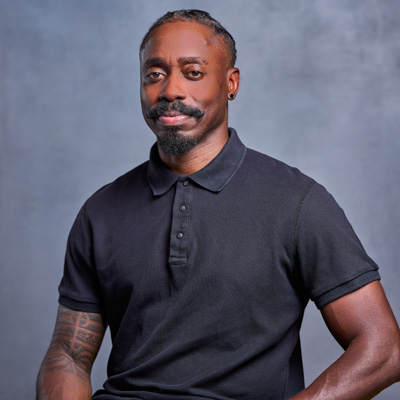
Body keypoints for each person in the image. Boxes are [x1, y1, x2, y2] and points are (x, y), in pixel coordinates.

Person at [36, 9, 400, 400]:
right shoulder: (101, 212)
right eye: (154, 74)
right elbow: (69, 354)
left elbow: (384, 350)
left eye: (192, 72)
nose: (170, 90)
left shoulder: (297, 202)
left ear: (231, 83)